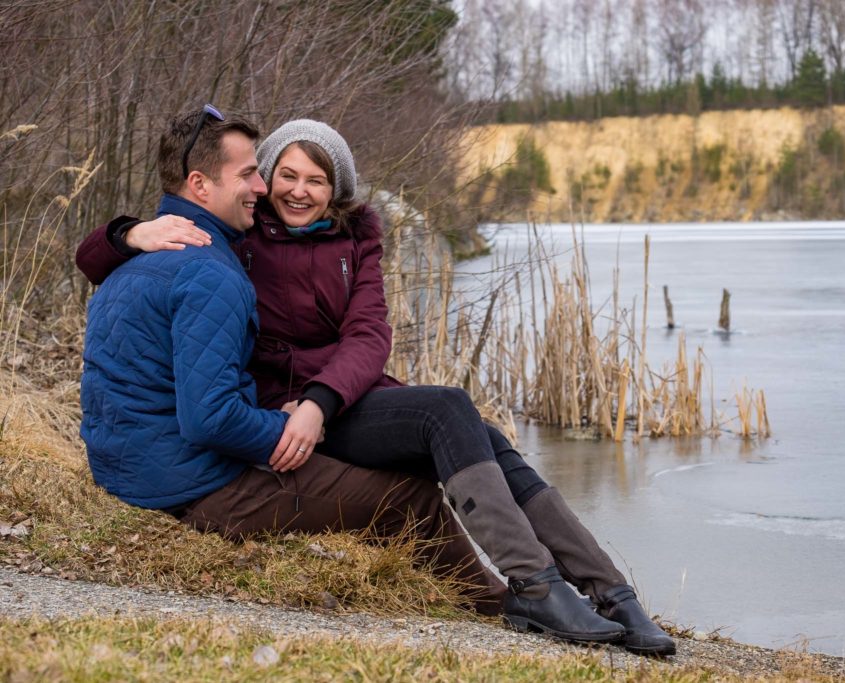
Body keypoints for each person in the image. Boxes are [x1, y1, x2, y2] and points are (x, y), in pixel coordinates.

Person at [77, 114, 676, 655]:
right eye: (271, 174)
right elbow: (107, 267)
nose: (282, 189)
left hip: (326, 402)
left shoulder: (345, 239)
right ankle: (524, 591)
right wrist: (130, 232)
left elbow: (368, 336)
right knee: (429, 456)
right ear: (211, 185)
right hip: (250, 424)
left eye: (315, 180)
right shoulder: (228, 243)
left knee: (469, 427)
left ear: (337, 188)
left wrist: (316, 404)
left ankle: (607, 592)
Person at [79, 107, 509, 618]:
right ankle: (496, 608)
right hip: (189, 487)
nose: (261, 187)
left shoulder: (139, 254)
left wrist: (126, 233)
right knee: (409, 498)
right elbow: (209, 417)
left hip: (124, 467)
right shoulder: (211, 273)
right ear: (199, 184)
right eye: (248, 174)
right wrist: (290, 429)